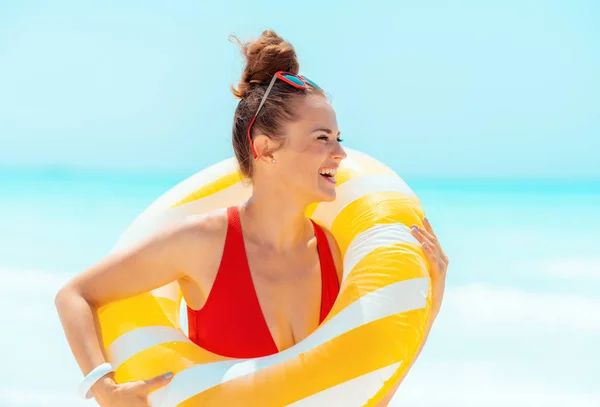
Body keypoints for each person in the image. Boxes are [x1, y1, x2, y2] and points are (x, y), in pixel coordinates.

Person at [55, 29, 449, 407]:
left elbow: (360, 393)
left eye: (339, 139)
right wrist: (104, 387)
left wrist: (429, 302)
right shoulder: (201, 243)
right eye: (322, 138)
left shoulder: (336, 254)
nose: (340, 154)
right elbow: (75, 295)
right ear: (266, 149)